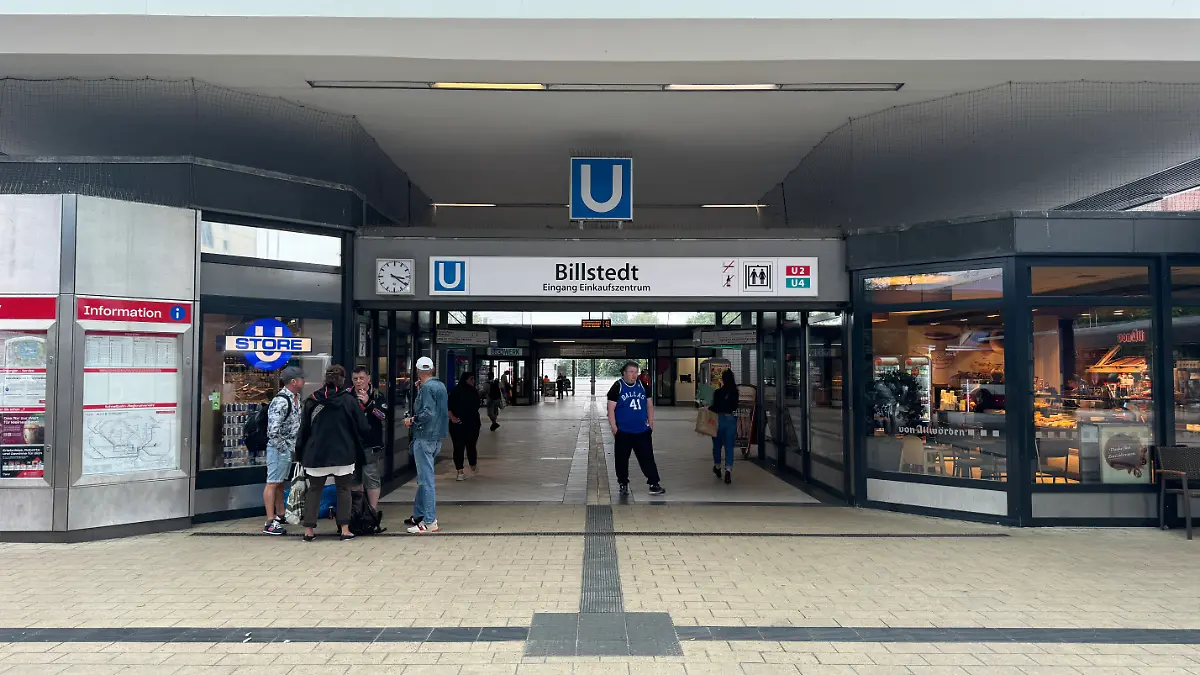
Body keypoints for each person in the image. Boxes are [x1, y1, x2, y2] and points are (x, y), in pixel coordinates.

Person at [297, 365, 369, 542]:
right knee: (344, 490)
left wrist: (300, 453)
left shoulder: (312, 400)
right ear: (343, 380)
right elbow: (363, 427)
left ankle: (309, 530)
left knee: (314, 491)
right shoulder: (349, 400)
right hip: (343, 452)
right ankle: (345, 529)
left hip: (316, 453)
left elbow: (303, 430)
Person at [607, 361, 666, 497]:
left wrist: (650, 423)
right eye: (631, 372)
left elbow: (649, 405)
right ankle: (623, 483)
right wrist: (614, 427)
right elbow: (610, 409)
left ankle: (654, 483)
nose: (634, 375)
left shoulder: (643, 386)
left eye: (635, 372)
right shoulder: (617, 387)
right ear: (624, 373)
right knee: (621, 459)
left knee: (647, 458)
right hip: (624, 432)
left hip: (642, 431)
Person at [404, 356, 448, 534]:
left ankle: (430, 521)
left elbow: (427, 412)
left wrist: (412, 420)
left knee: (426, 481)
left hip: (424, 437)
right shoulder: (440, 386)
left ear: (417, 371)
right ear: (432, 369)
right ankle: (419, 514)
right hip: (436, 438)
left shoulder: (427, 388)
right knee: (424, 478)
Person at [263, 366, 304, 535]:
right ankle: (269, 521)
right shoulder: (281, 401)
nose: (304, 381)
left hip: (287, 449)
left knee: (279, 482)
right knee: (272, 482)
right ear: (293, 381)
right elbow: (272, 431)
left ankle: (280, 514)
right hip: (278, 449)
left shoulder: (296, 398)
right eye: (301, 378)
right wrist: (283, 448)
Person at [351, 365, 387, 510]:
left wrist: (369, 404)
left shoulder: (377, 395)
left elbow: (383, 416)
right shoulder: (347, 395)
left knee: (371, 475)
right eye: (355, 379)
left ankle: (372, 510)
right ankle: (357, 509)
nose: (358, 381)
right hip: (352, 443)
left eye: (361, 378)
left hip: (371, 443)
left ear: (368, 379)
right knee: (354, 477)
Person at [448, 372, 482, 481]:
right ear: (466, 380)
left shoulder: (455, 392)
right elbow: (477, 406)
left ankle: (460, 472)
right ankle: (472, 467)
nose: (473, 381)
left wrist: (453, 418)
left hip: (458, 425)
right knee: (470, 446)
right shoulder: (473, 392)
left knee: (458, 447)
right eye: (471, 379)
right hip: (471, 424)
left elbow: (449, 407)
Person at [708, 369, 739, 485]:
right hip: (730, 420)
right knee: (729, 446)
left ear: (723, 379)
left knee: (717, 445)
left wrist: (708, 408)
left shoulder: (718, 392)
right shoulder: (735, 392)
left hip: (718, 420)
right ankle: (728, 470)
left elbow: (714, 407)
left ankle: (717, 466)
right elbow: (734, 407)